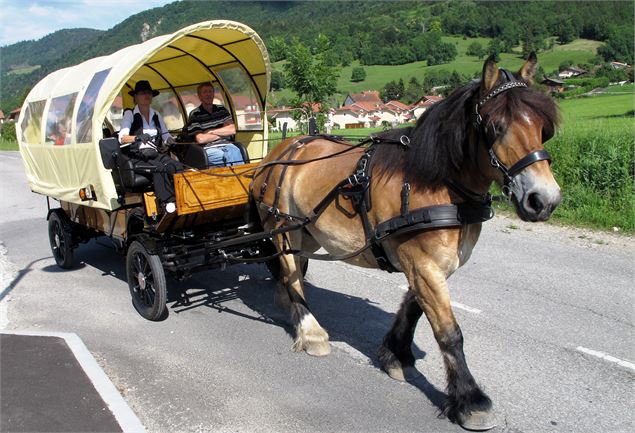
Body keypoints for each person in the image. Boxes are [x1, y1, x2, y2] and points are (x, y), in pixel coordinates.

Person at [118, 80, 183, 214]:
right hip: (136, 156)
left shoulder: (156, 115)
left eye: (148, 93)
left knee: (176, 166)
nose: (146, 96)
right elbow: (122, 138)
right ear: (135, 97)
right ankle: (166, 205)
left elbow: (165, 135)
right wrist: (136, 138)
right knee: (158, 168)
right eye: (142, 93)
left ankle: (182, 200)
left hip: (154, 153)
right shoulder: (130, 114)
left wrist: (171, 141)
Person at [185, 82, 244, 166]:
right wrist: (223, 132)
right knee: (229, 154)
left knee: (234, 151)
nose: (208, 94)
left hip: (227, 144)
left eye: (210, 91)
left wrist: (210, 131)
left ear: (213, 94)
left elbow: (232, 130)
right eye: (205, 92)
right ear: (199, 96)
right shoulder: (195, 114)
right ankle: (238, 177)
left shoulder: (222, 110)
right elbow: (201, 139)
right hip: (208, 149)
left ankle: (235, 176)